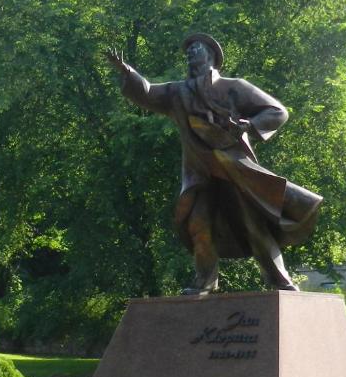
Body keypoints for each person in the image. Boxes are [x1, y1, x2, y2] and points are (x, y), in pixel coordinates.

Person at [105, 34, 322, 294]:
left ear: (211, 55)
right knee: (199, 224)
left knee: (254, 225)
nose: (190, 52)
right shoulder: (177, 92)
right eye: (188, 50)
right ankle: (205, 281)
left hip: (233, 167)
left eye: (196, 48)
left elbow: (278, 111)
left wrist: (249, 126)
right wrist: (126, 71)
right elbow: (148, 92)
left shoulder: (234, 87)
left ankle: (279, 281)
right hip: (200, 172)